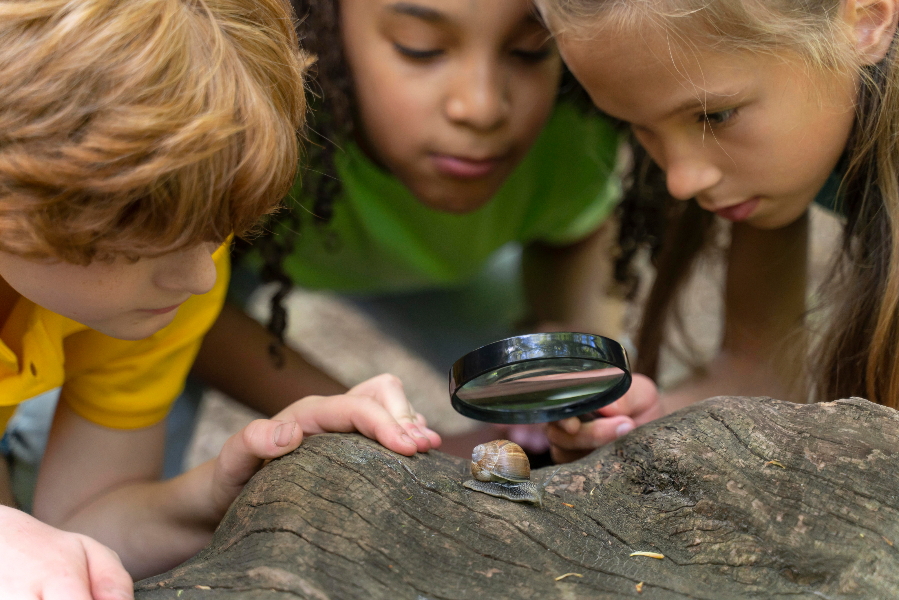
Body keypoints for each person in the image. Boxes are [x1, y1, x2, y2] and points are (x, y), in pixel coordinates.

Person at [0, 1, 438, 597]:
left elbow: (79, 520)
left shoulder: (148, 288)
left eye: (215, 230)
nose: (203, 278)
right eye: (141, 242)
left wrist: (223, 493)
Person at [184, 0, 659, 461]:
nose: (481, 106)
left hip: (466, 269)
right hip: (212, 274)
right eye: (421, 47)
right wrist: (376, 434)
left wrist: (578, 390)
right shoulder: (239, 108)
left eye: (532, 48)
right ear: (316, 19)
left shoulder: (575, 110)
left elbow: (572, 232)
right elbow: (180, 311)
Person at [536, 0, 899, 460]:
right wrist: (653, 428)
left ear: (867, 20)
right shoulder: (775, 162)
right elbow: (760, 373)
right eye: (637, 126)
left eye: (715, 116)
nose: (680, 181)